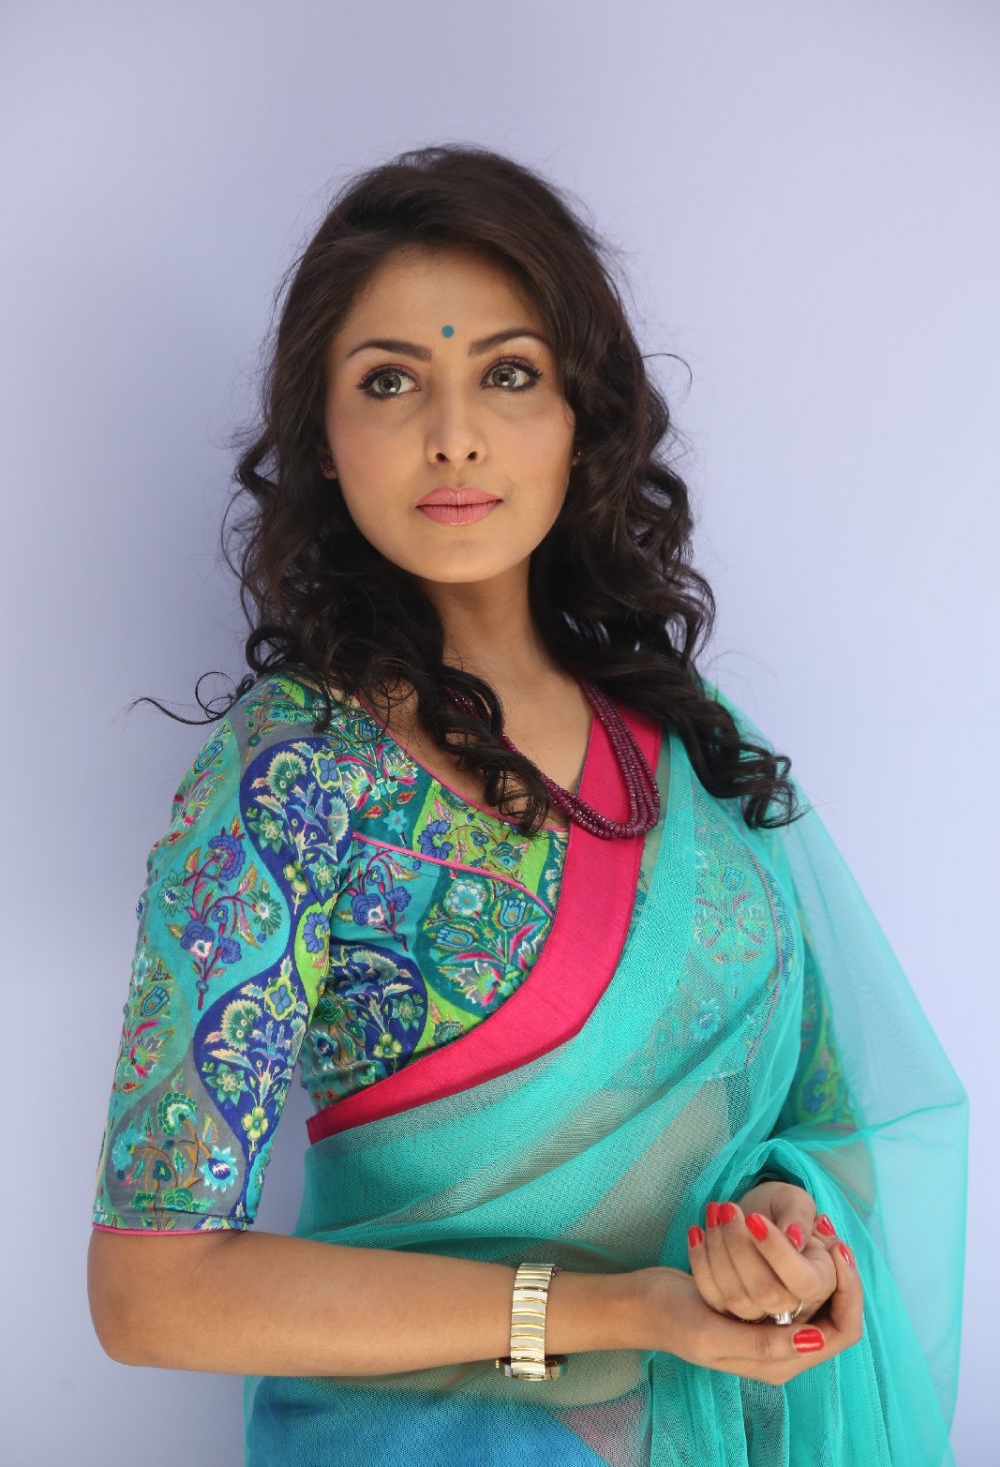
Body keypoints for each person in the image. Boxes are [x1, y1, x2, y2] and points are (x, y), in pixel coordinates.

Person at [86, 144, 967, 1466]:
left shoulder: (695, 746)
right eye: (391, 381)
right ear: (322, 438)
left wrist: (786, 1240)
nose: (454, 435)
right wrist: (629, 1312)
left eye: (507, 374)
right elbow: (153, 1291)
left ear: (580, 417)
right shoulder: (292, 776)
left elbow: (834, 1124)